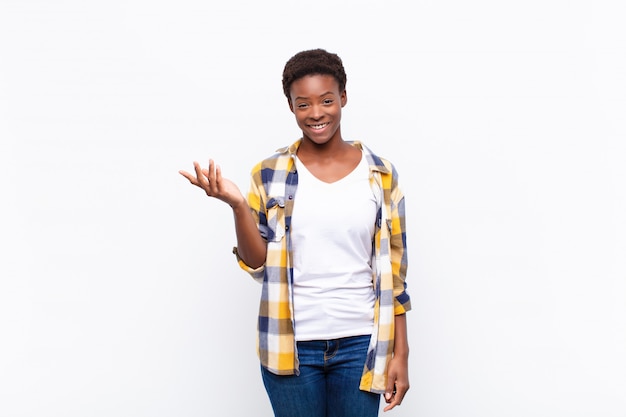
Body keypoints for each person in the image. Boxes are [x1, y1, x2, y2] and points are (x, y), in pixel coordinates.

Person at [179, 48, 411, 417]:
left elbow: (395, 275)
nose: (316, 113)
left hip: (361, 344)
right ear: (290, 107)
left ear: (344, 98)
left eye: (327, 100)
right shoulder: (268, 174)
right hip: (291, 346)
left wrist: (402, 353)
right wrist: (238, 206)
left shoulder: (381, 175)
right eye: (303, 104)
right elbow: (258, 263)